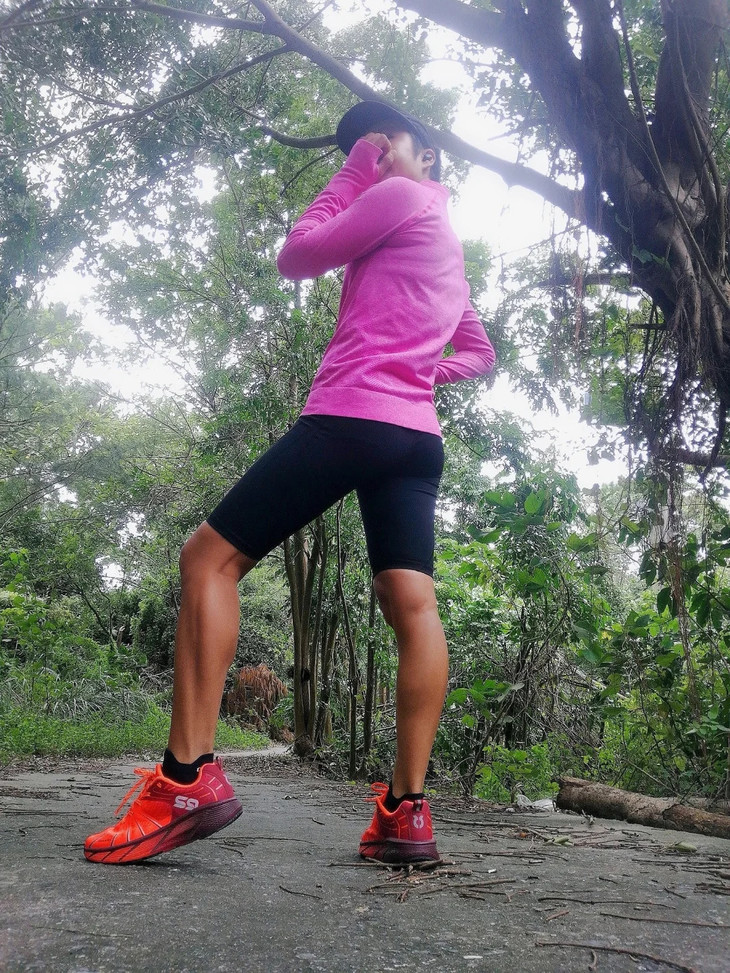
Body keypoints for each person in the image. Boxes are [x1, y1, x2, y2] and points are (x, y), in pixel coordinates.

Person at [84, 101, 495, 866]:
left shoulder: (401, 194)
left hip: (354, 415)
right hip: (416, 440)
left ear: (427, 155)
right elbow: (478, 348)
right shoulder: (443, 240)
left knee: (208, 559)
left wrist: (355, 169)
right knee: (414, 605)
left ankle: (184, 779)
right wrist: (418, 373)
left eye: (385, 141)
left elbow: (298, 254)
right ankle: (405, 812)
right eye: (363, 147)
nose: (374, 154)